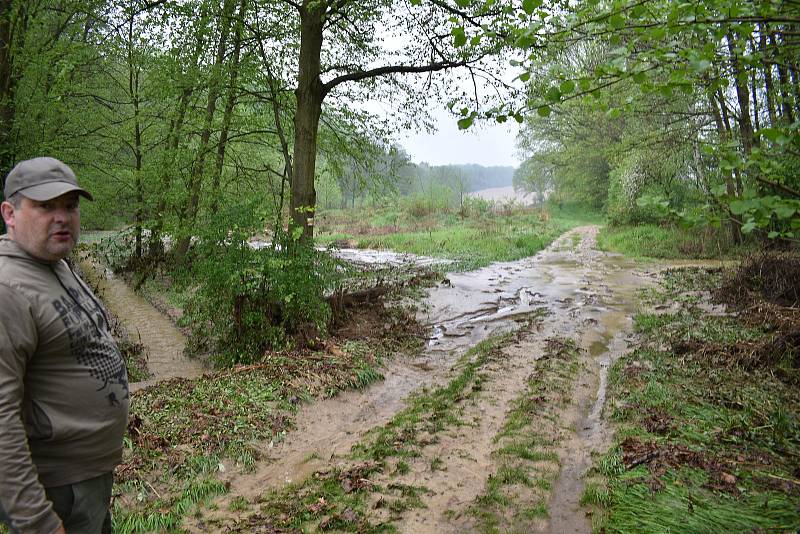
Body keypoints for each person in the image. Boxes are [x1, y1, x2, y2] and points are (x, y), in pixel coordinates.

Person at [0, 157, 130, 534]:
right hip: (57, 489)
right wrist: (38, 520)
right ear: (10, 213)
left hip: (85, 479)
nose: (62, 217)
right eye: (45, 206)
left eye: (70, 206)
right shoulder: (8, 289)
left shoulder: (53, 262)